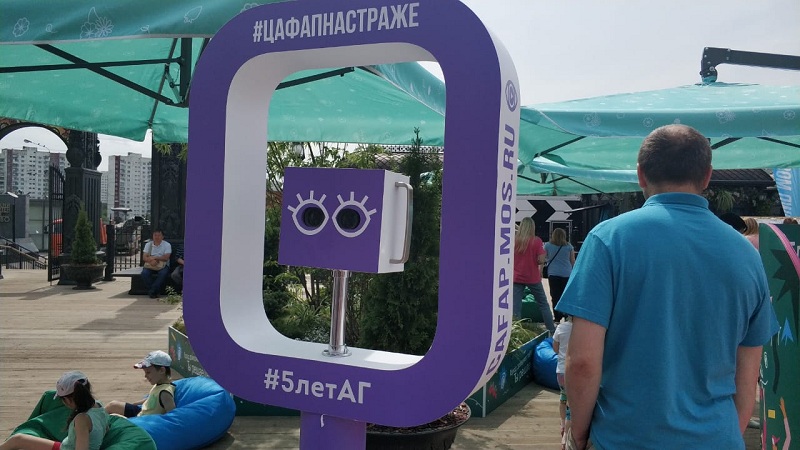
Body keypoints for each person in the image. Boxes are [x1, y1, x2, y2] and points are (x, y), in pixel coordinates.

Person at [556, 125, 779, 450]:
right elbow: (748, 374)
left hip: (623, 438)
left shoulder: (607, 241)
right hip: (716, 438)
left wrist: (578, 433)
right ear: (707, 176)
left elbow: (582, 362)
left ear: (640, 174)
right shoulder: (746, 254)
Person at [1, 371, 109, 450]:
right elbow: (105, 428)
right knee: (19, 439)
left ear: (68, 399)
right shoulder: (99, 406)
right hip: (65, 445)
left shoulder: (82, 419)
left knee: (17, 439)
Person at [513, 217, 555, 334]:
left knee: (515, 306)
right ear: (533, 227)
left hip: (517, 277)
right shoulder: (536, 241)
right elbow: (541, 260)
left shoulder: (515, 241)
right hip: (532, 277)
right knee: (543, 304)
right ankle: (551, 330)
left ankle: (516, 331)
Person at [105, 351, 176, 418]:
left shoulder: (164, 392)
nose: (145, 376)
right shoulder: (159, 385)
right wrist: (134, 404)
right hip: (141, 412)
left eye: (148, 372)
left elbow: (172, 415)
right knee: (113, 405)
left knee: (113, 416)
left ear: (162, 370)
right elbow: (152, 400)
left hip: (143, 420)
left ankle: (99, 422)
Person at [544, 228, 576, 322]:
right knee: (565, 296)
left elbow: (544, 258)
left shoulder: (548, 245)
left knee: (555, 296)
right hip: (567, 273)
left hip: (553, 273)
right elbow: (572, 261)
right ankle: (566, 315)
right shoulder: (569, 246)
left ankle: (557, 316)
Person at [552, 316, 573, 450]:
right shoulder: (580, 329)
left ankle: (562, 424)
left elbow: (555, 348)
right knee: (572, 404)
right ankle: (566, 434)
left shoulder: (560, 328)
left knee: (563, 398)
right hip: (573, 371)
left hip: (560, 371)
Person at [141, 229, 172, 299]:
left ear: (162, 237)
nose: (157, 237)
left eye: (159, 235)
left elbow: (166, 257)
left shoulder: (167, 245)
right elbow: (144, 257)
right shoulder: (148, 244)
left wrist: (155, 258)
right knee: (144, 273)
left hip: (163, 264)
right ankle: (155, 291)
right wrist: (151, 261)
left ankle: (152, 291)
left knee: (163, 274)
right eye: (155, 235)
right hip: (150, 264)